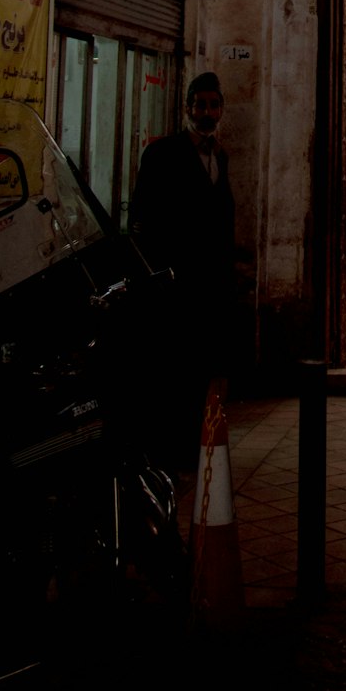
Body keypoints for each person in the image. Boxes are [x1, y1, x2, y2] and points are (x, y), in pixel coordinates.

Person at [130, 71, 237, 468]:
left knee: (200, 368)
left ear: (221, 109)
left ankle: (195, 445)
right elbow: (142, 218)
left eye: (213, 105)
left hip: (209, 289)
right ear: (188, 107)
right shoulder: (162, 155)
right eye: (200, 105)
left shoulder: (219, 156)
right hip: (175, 285)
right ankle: (169, 449)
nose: (206, 112)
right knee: (172, 370)